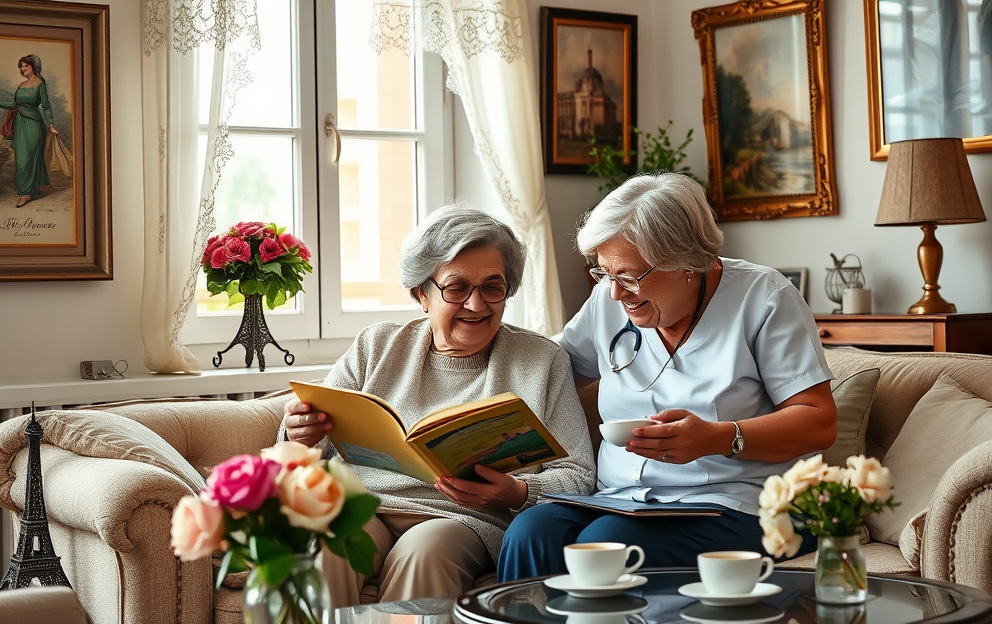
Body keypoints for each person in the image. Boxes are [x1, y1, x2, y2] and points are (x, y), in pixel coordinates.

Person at [497, 173, 838, 582]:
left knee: (610, 541)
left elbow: (819, 420)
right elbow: (550, 368)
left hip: (738, 503)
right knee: (530, 532)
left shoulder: (763, 298)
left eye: (628, 276)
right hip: (619, 499)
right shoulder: (610, 300)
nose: (614, 294)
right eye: (603, 273)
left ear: (687, 263)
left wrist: (717, 437)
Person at [282, 205, 595, 605]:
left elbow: (579, 474)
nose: (477, 304)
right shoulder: (376, 346)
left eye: (493, 287)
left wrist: (517, 492)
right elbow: (308, 439)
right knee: (327, 543)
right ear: (422, 294)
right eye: (457, 287)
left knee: (425, 552)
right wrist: (299, 431)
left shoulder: (542, 362)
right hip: (365, 505)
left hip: (462, 520)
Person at [0, 54, 58, 208]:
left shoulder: (40, 84)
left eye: (26, 66)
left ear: (34, 67)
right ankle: (30, 189)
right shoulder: (21, 86)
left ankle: (26, 193)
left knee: (29, 158)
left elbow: (46, 105)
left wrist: (50, 124)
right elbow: (14, 105)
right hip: (20, 125)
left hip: (34, 125)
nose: (23, 69)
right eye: (21, 67)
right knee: (20, 158)